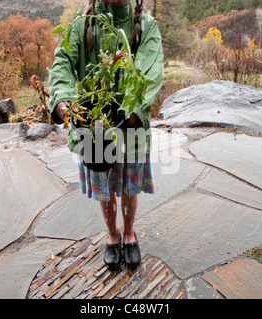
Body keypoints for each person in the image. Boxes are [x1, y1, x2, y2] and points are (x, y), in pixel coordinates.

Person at [47, 0, 164, 271]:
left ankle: (129, 232)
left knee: (128, 185)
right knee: (105, 185)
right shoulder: (81, 25)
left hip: (132, 123)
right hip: (93, 124)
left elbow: (150, 72)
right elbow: (62, 64)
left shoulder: (145, 27)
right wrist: (64, 101)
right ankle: (112, 235)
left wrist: (132, 109)